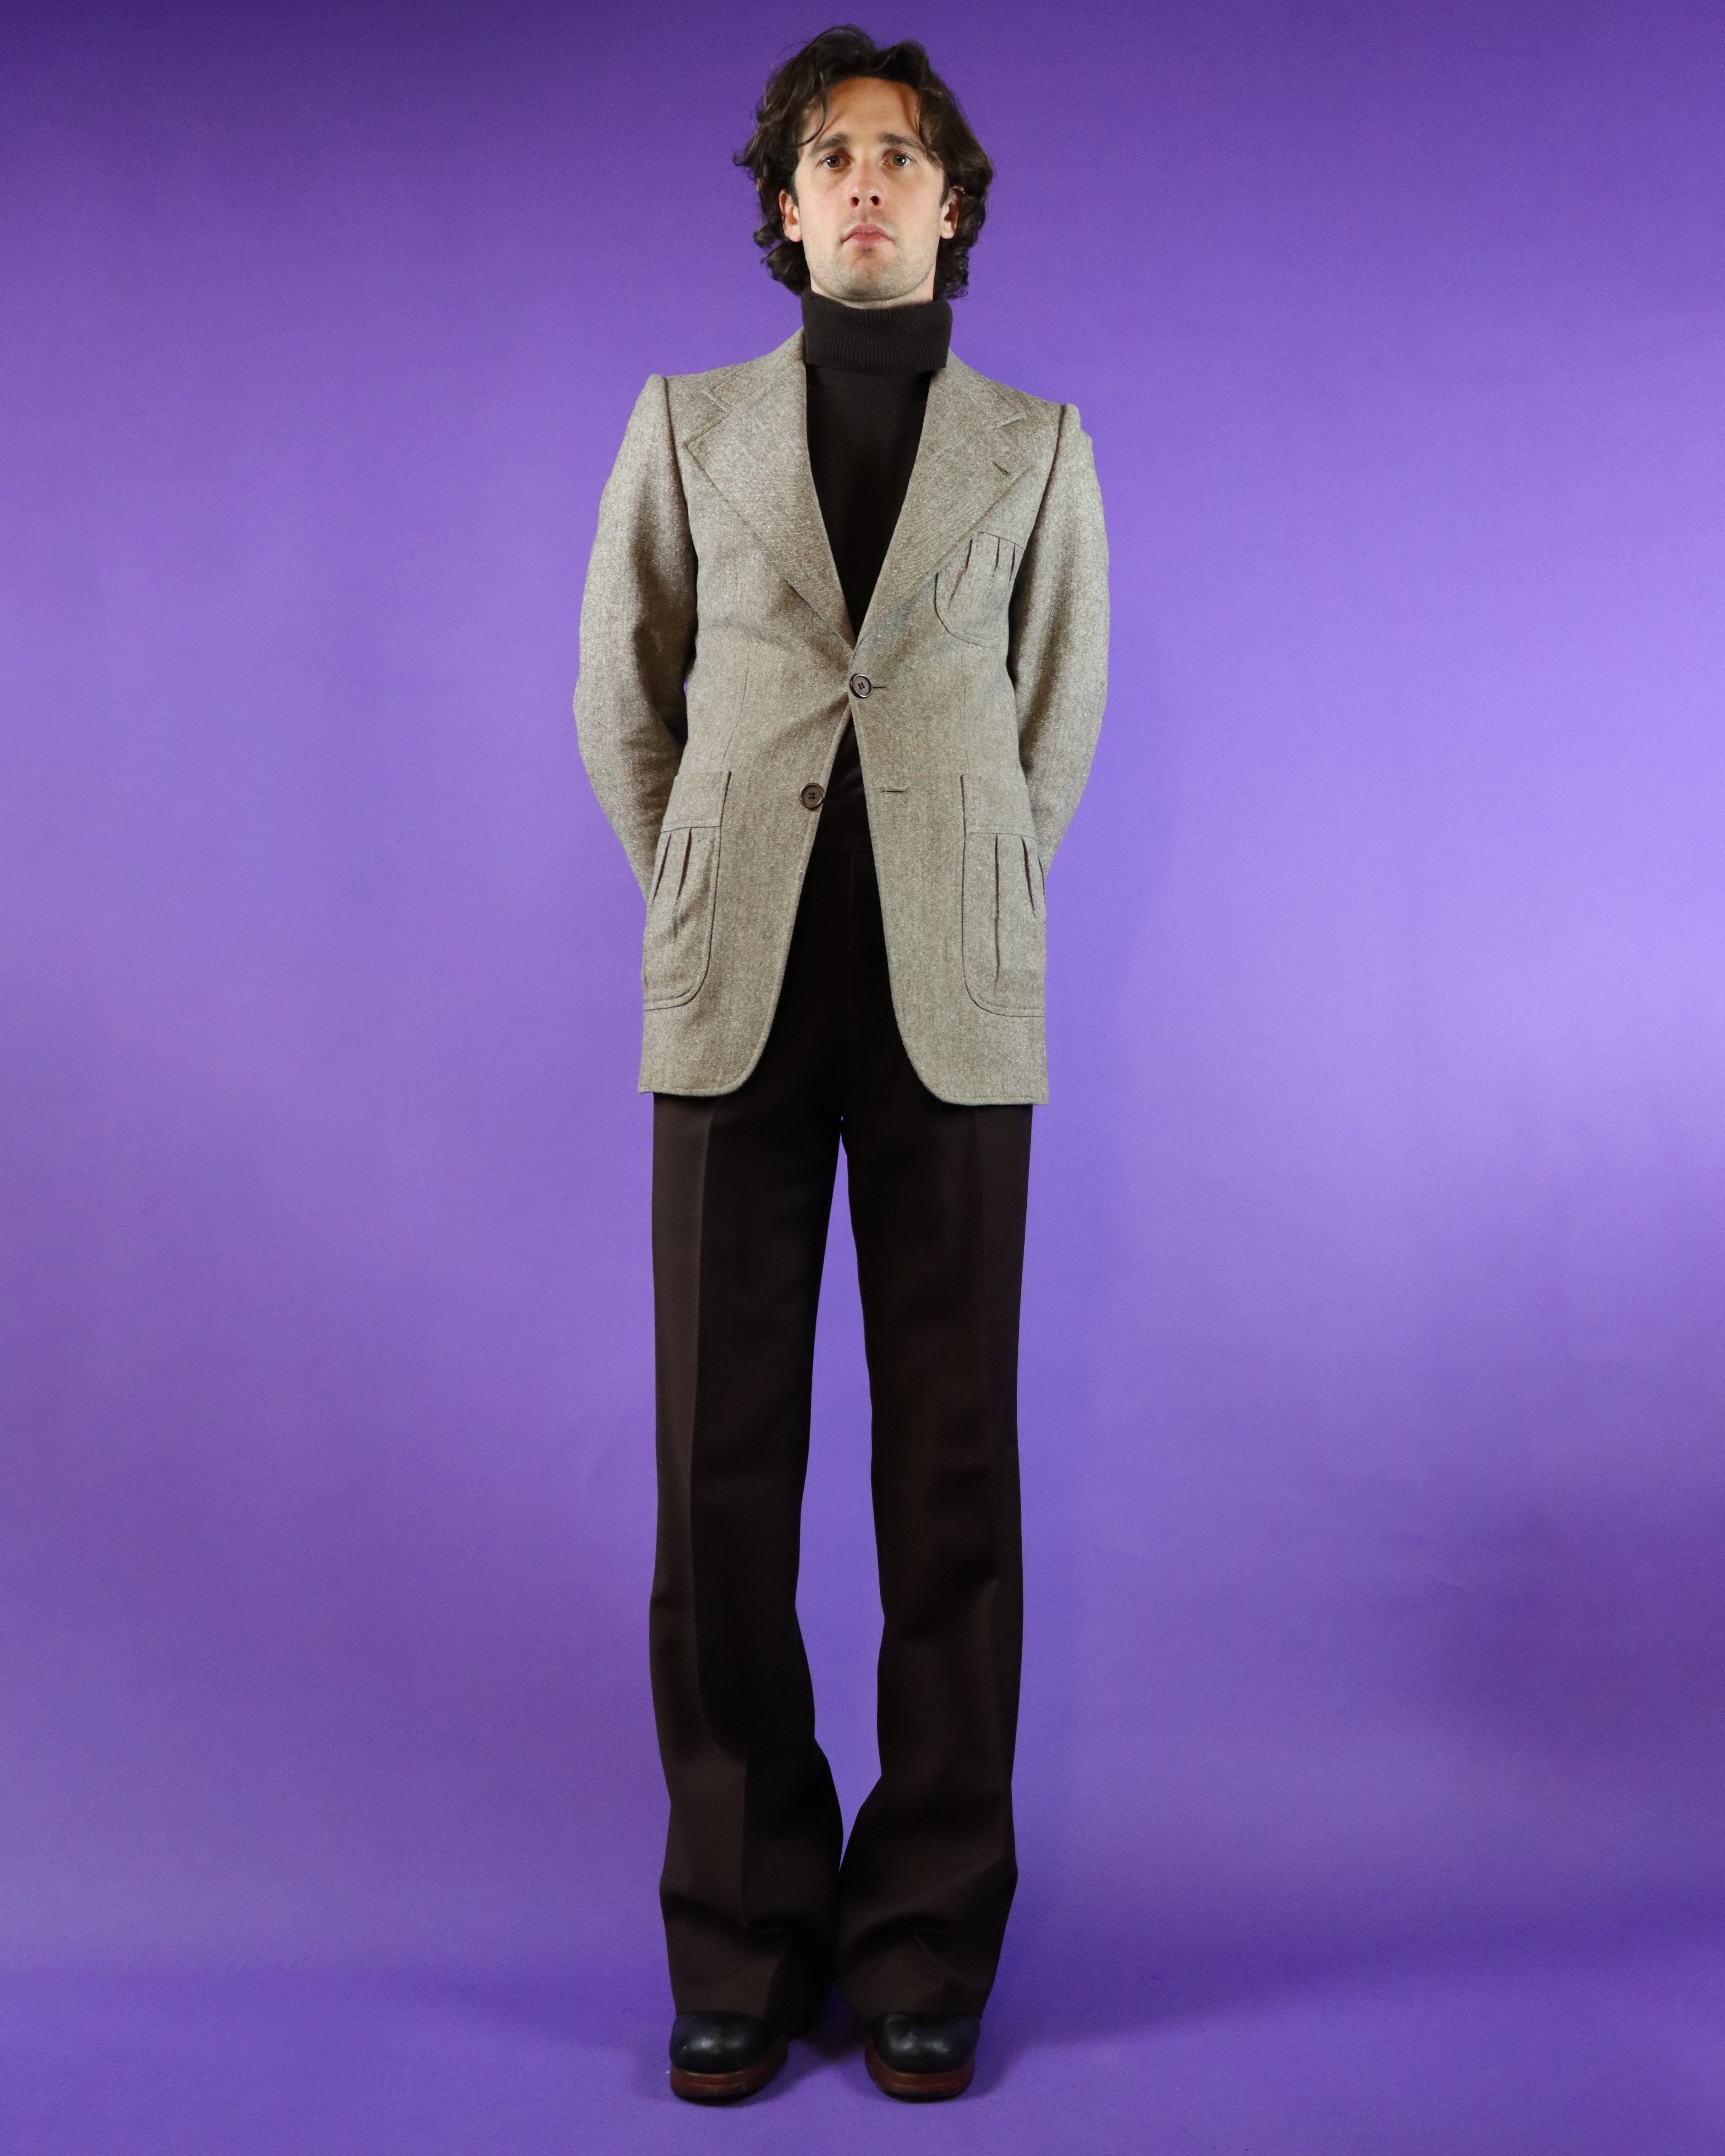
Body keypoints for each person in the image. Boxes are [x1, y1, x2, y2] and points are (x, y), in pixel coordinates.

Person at [574, 23, 1108, 2105]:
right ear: (785, 213)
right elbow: (625, 698)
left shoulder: (1039, 449)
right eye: (830, 158)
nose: (866, 181)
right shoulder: (684, 425)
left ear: (949, 206)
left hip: (951, 1009)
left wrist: (966, 887)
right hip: (732, 999)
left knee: (948, 1481)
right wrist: (705, 882)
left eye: (899, 155)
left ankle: (920, 1939)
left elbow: (1051, 723)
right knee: (717, 1476)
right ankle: (740, 1928)